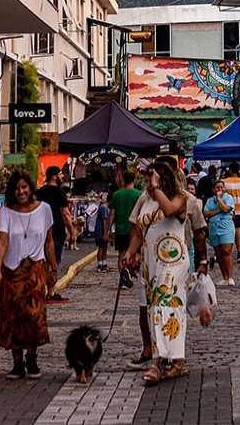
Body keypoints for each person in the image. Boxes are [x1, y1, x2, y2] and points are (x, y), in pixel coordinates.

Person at [123, 163, 191, 386]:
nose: (147, 180)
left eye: (152, 176)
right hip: (151, 263)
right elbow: (138, 230)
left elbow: (170, 210)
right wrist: (130, 252)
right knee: (157, 309)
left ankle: (156, 362)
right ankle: (177, 360)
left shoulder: (180, 197)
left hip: (172, 261)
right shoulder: (145, 200)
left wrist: (157, 189)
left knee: (165, 306)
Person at [0, 170, 57, 379]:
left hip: (36, 269)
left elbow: (49, 241)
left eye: (24, 187)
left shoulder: (44, 209)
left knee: (34, 315)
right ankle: (17, 362)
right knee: (12, 315)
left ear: (30, 188)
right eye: (17, 188)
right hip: (11, 270)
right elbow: (2, 242)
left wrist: (53, 267)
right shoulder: (6, 212)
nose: (21, 191)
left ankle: (32, 357)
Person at [36, 165, 74, 304]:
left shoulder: (40, 192)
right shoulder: (59, 193)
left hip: (41, 229)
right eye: (60, 174)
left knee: (44, 260)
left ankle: (45, 289)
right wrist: (72, 231)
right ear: (54, 176)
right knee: (54, 261)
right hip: (57, 229)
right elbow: (64, 213)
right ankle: (51, 291)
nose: (62, 176)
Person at [108, 171, 142, 276]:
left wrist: (108, 229)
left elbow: (112, 213)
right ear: (134, 180)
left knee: (121, 255)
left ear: (123, 180)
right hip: (135, 230)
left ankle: (123, 278)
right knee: (135, 253)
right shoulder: (139, 195)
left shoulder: (116, 194)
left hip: (120, 228)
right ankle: (132, 271)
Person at [203, 180, 236, 286]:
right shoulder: (209, 201)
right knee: (218, 252)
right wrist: (217, 211)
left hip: (225, 227)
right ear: (213, 189)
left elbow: (226, 209)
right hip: (214, 228)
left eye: (222, 187)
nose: (220, 189)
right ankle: (224, 277)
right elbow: (206, 213)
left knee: (226, 251)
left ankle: (230, 277)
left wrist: (219, 199)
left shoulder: (228, 198)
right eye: (217, 188)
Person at [223, 162, 240, 264]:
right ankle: (239, 253)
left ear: (230, 170)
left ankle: (227, 250)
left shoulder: (224, 182)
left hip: (227, 210)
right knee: (238, 230)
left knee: (227, 231)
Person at [94, 194, 111, 272]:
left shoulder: (106, 207)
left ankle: (104, 263)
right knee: (101, 248)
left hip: (104, 231)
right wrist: (105, 233)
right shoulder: (104, 207)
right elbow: (104, 221)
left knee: (105, 248)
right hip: (101, 231)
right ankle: (99, 265)